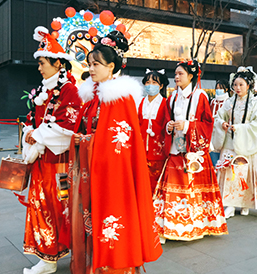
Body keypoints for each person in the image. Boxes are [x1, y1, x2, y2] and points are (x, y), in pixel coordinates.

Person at [72, 31, 162, 273]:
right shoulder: (94, 97)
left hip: (112, 173)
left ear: (111, 66)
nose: (91, 69)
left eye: (96, 64)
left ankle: (115, 266)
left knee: (112, 217)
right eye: (89, 64)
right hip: (91, 169)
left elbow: (118, 145)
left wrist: (87, 141)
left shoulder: (118, 99)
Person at [21, 26, 82, 274]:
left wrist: (37, 135)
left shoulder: (69, 90)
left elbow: (68, 125)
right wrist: (28, 132)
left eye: (43, 62)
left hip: (60, 164)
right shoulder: (43, 90)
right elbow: (31, 119)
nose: (39, 67)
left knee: (62, 209)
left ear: (58, 64)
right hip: (41, 162)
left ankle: (63, 253)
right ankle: (47, 257)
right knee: (40, 207)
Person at [154, 59, 227, 243]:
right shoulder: (172, 97)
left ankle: (196, 225)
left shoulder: (200, 96)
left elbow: (208, 124)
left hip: (193, 151)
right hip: (175, 149)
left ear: (191, 76)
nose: (176, 77)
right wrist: (169, 126)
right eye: (176, 74)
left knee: (193, 188)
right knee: (172, 188)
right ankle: (167, 226)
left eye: (180, 74)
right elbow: (165, 121)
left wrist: (187, 125)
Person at [212, 67, 257, 218]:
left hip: (248, 142)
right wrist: (222, 124)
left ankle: (246, 203)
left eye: (241, 85)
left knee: (246, 174)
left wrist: (239, 128)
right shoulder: (230, 102)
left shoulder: (254, 103)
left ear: (249, 86)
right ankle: (230, 205)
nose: (237, 88)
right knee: (230, 173)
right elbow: (218, 117)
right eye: (235, 85)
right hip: (231, 142)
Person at [138, 68, 171, 193]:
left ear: (161, 85)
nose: (150, 85)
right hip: (141, 148)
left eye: (154, 83)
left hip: (158, 150)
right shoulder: (140, 102)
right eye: (147, 82)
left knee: (156, 181)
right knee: (141, 179)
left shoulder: (166, 103)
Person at [210, 79, 230, 167]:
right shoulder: (213, 101)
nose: (218, 90)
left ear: (226, 89)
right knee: (212, 150)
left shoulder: (228, 102)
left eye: (221, 88)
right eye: (217, 88)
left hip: (224, 130)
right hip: (212, 131)